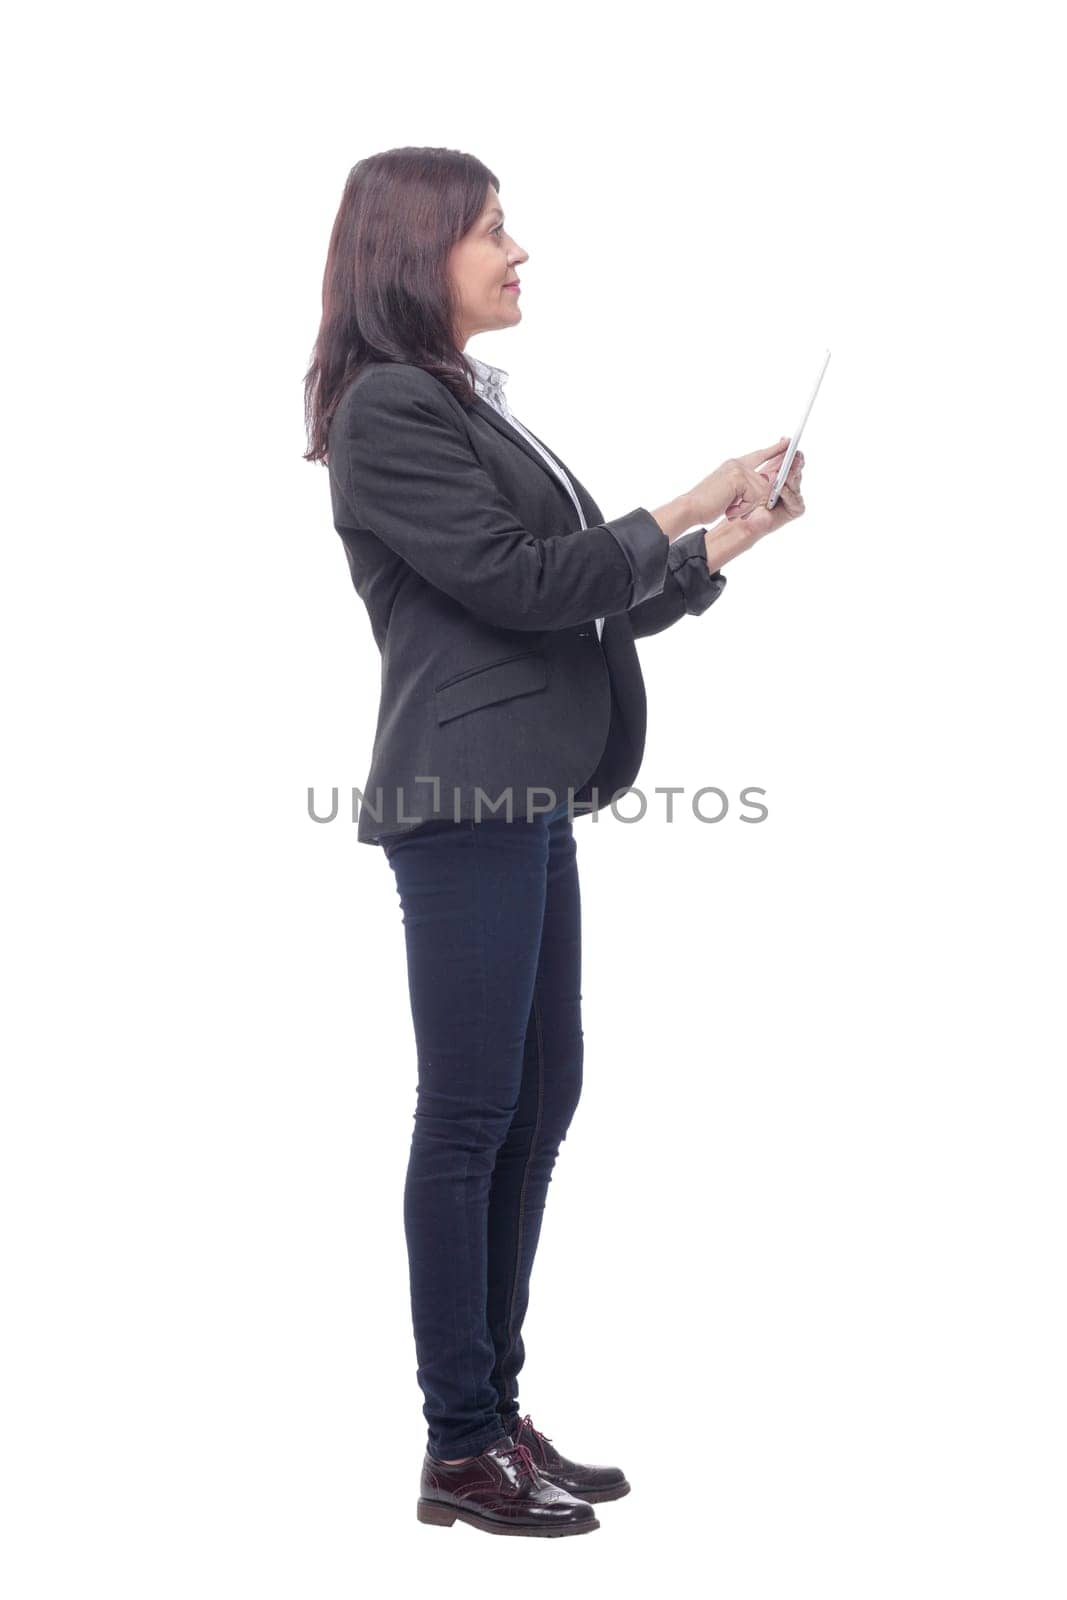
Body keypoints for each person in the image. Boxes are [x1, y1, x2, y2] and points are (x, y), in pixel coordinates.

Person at [303, 146, 806, 1538]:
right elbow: (531, 585)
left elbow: (574, 603)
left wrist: (723, 546)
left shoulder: (469, 406)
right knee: (471, 1117)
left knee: (538, 1101)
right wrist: (692, 497)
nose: (519, 253)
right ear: (417, 252)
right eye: (493, 231)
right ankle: (459, 1441)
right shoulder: (389, 409)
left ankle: (493, 1415)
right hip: (462, 801)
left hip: (524, 797)